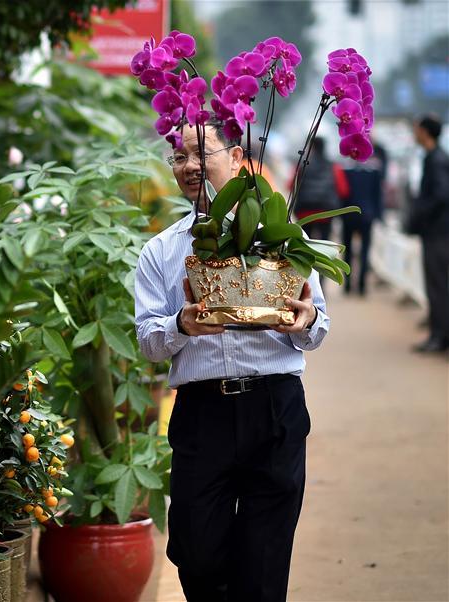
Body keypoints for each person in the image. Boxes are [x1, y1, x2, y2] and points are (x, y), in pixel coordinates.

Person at [135, 120, 329, 602]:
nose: (189, 165)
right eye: (178, 157)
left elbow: (318, 327)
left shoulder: (284, 239)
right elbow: (147, 341)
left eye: (202, 151)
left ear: (237, 157)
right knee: (197, 555)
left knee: (263, 564)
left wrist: (303, 321)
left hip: (274, 408)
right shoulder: (161, 250)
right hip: (203, 415)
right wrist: (181, 325)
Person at [407, 115, 449, 353]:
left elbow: (441, 195)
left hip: (437, 232)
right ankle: (439, 333)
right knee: (437, 283)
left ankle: (439, 336)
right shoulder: (435, 157)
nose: (414, 132)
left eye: (417, 128)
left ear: (425, 132)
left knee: (437, 284)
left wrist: (421, 212)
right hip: (437, 230)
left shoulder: (436, 160)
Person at [341, 143, 386, 296]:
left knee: (347, 249)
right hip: (367, 215)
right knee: (365, 249)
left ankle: (347, 284)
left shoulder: (346, 170)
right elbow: (378, 196)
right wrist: (379, 215)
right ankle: (361, 285)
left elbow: (342, 195)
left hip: (348, 215)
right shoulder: (374, 171)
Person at [291, 137, 350, 242]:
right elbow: (343, 190)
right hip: (325, 213)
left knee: (304, 242)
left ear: (312, 147)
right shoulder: (334, 166)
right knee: (324, 242)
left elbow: (291, 185)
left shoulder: (301, 165)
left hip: (304, 211)